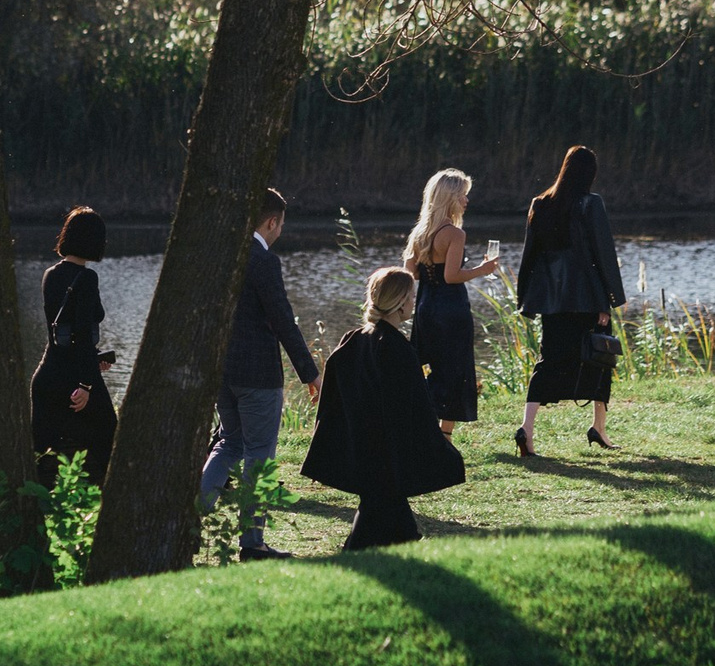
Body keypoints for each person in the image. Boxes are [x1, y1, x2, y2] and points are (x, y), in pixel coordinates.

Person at [301, 267, 467, 550]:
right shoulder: (395, 348)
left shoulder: (355, 339)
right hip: (386, 450)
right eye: (411, 297)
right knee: (382, 504)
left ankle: (397, 543)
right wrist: (437, 443)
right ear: (400, 302)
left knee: (385, 509)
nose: (414, 302)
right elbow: (411, 408)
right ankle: (364, 550)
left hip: (362, 442)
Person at [200, 189, 321, 562]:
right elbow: (283, 320)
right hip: (258, 377)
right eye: (280, 224)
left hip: (223, 371)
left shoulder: (220, 257)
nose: (280, 231)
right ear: (271, 222)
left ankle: (186, 520)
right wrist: (310, 373)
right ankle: (252, 542)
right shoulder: (263, 261)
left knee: (229, 444)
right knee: (260, 456)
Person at [515, 145, 626, 454]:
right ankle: (599, 428)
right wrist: (609, 299)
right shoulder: (591, 204)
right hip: (587, 297)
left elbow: (530, 257)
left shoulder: (540, 204)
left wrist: (525, 297)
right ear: (589, 174)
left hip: (552, 300)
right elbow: (603, 253)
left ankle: (526, 429)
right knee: (599, 357)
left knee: (548, 360)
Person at [403, 168, 500, 440]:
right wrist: (483, 269)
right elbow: (452, 276)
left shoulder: (419, 233)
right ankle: (443, 436)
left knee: (431, 366)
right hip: (451, 308)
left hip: (425, 306)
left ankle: (422, 424)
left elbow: (411, 274)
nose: (466, 201)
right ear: (450, 197)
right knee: (454, 371)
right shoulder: (455, 234)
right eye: (463, 195)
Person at [30, 206, 118, 486]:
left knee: (45, 456)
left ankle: (46, 511)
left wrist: (93, 361)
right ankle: (103, 504)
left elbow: (63, 335)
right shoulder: (87, 278)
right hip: (73, 378)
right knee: (108, 436)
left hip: (48, 374)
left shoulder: (50, 274)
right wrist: (86, 384)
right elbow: (80, 333)